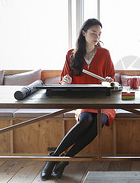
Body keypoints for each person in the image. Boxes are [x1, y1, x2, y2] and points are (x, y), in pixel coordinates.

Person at [41, 18, 116, 180]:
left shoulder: (105, 53)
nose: (96, 37)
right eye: (93, 33)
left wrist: (109, 80)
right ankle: (55, 159)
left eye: (99, 34)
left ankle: (61, 160)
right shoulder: (71, 54)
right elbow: (63, 79)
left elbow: (112, 76)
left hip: (103, 101)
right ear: (84, 33)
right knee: (86, 119)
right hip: (82, 101)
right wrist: (66, 81)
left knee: (98, 122)